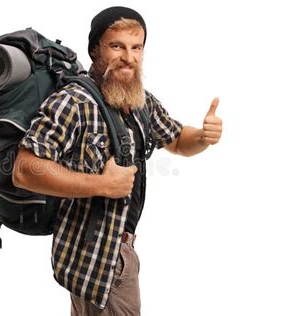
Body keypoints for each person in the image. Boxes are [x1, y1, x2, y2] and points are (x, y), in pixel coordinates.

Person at [12, 6, 223, 315]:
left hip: (99, 253)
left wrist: (203, 137)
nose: (129, 56)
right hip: (101, 260)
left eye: (136, 47)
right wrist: (103, 184)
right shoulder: (74, 102)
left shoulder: (139, 100)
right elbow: (24, 170)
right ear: (95, 50)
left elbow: (177, 139)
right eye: (117, 46)